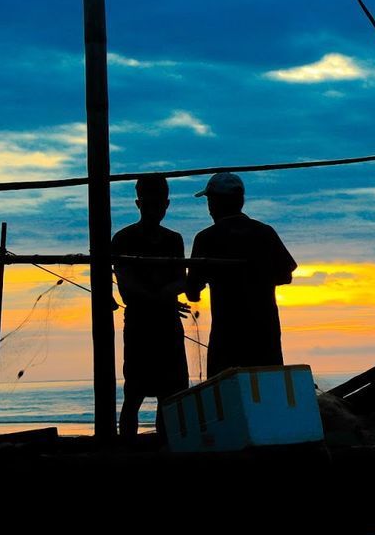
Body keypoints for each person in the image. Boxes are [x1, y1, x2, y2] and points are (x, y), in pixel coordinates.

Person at [185, 172, 297, 377]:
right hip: (265, 335)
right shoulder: (265, 232)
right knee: (268, 389)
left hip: (227, 338)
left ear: (215, 203)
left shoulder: (206, 238)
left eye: (210, 200)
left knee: (226, 394)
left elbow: (192, 291)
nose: (209, 207)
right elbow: (286, 275)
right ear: (241, 201)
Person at [111, 175, 189, 439]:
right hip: (140, 325)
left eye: (158, 204)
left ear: (166, 204)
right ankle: (128, 446)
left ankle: (164, 444)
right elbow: (124, 282)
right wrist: (162, 297)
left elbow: (181, 279)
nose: (154, 209)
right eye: (149, 203)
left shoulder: (173, 240)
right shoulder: (122, 239)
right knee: (133, 392)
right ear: (138, 203)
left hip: (166, 324)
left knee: (170, 394)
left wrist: (160, 296)